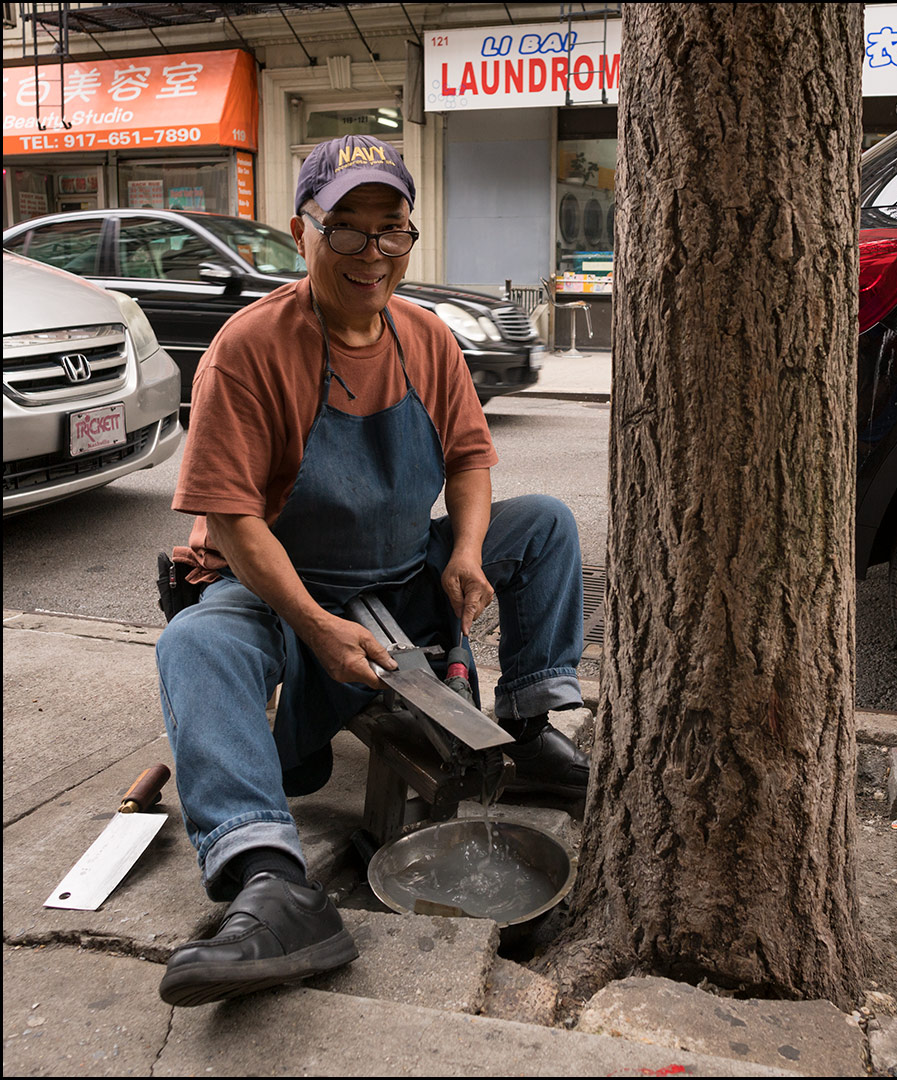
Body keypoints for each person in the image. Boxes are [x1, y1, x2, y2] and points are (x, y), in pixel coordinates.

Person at [155, 134, 589, 1007]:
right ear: (301, 232)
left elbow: (469, 461)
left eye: (390, 230)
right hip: (285, 581)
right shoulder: (249, 348)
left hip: (401, 569)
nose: (371, 254)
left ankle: (533, 727)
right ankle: (269, 880)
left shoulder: (425, 338)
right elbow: (233, 520)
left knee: (543, 525)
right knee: (196, 644)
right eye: (345, 230)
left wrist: (464, 555)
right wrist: (315, 628)